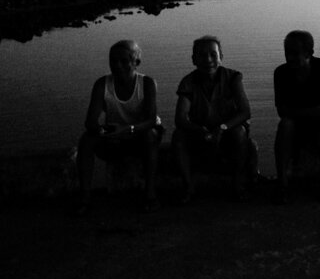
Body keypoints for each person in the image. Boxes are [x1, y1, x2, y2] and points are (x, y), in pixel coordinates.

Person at [76, 40, 162, 214]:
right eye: (113, 61)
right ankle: (85, 198)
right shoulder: (102, 84)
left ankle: (150, 195)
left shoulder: (147, 84)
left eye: (124, 61)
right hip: (115, 135)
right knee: (86, 140)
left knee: (150, 135)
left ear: (136, 63)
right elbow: (90, 121)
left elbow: (151, 120)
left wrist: (126, 129)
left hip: (140, 134)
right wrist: (102, 131)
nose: (117, 65)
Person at [172, 35, 254, 202]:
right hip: (201, 133)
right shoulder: (188, 82)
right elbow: (180, 118)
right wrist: (198, 130)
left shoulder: (233, 77)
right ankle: (188, 187)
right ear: (194, 59)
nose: (208, 60)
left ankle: (237, 184)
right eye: (202, 55)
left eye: (213, 54)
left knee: (240, 132)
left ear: (221, 57)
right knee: (178, 136)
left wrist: (222, 128)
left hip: (228, 131)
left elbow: (245, 112)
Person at [273, 30, 320, 204]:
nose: (290, 58)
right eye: (287, 53)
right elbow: (282, 110)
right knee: (285, 125)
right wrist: (310, 112)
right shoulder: (281, 73)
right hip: (299, 119)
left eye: (295, 54)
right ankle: (282, 184)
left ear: (309, 53)